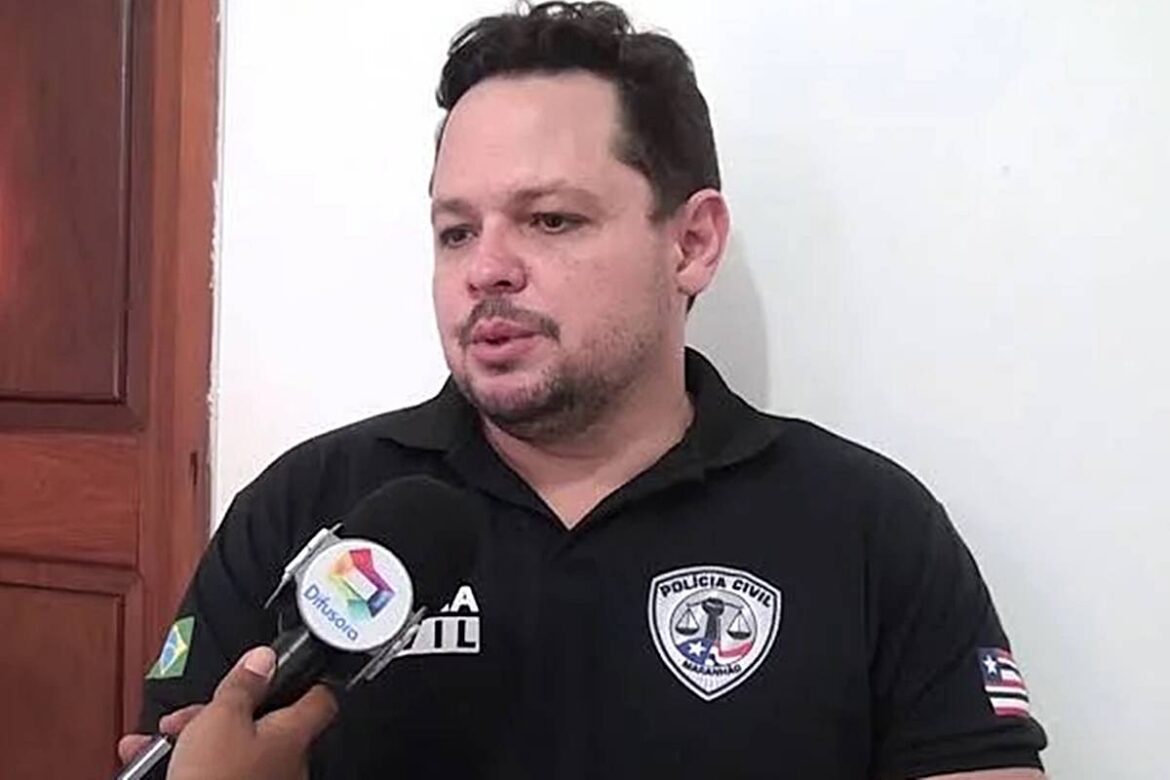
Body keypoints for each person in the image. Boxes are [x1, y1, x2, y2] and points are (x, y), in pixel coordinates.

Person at [118, 3, 1048, 778]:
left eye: (551, 219)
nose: (486, 268)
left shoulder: (866, 526)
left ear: (691, 244)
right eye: (455, 231)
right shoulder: (309, 505)